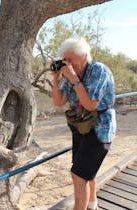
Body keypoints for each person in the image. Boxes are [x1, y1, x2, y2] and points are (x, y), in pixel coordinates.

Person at [51, 37, 116, 210]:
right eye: (66, 60)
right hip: (81, 127)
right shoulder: (72, 75)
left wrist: (73, 79)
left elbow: (91, 104)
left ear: (85, 57)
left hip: (100, 130)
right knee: (86, 172)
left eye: (71, 60)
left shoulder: (98, 71)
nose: (68, 64)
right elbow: (58, 101)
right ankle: (92, 204)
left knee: (78, 176)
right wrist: (57, 78)